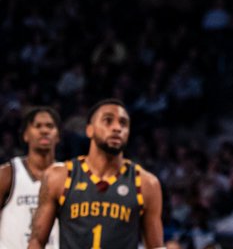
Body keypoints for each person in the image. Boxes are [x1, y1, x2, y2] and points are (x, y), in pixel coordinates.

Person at [26, 100, 163, 249]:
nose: (117, 128)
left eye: (123, 123)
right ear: (89, 130)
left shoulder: (146, 183)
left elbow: (156, 247)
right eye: (108, 121)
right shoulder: (59, 177)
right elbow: (37, 241)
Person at [0, 108, 61, 249]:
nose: (44, 131)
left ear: (58, 136)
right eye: (37, 126)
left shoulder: (68, 175)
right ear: (25, 135)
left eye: (50, 126)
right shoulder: (8, 174)